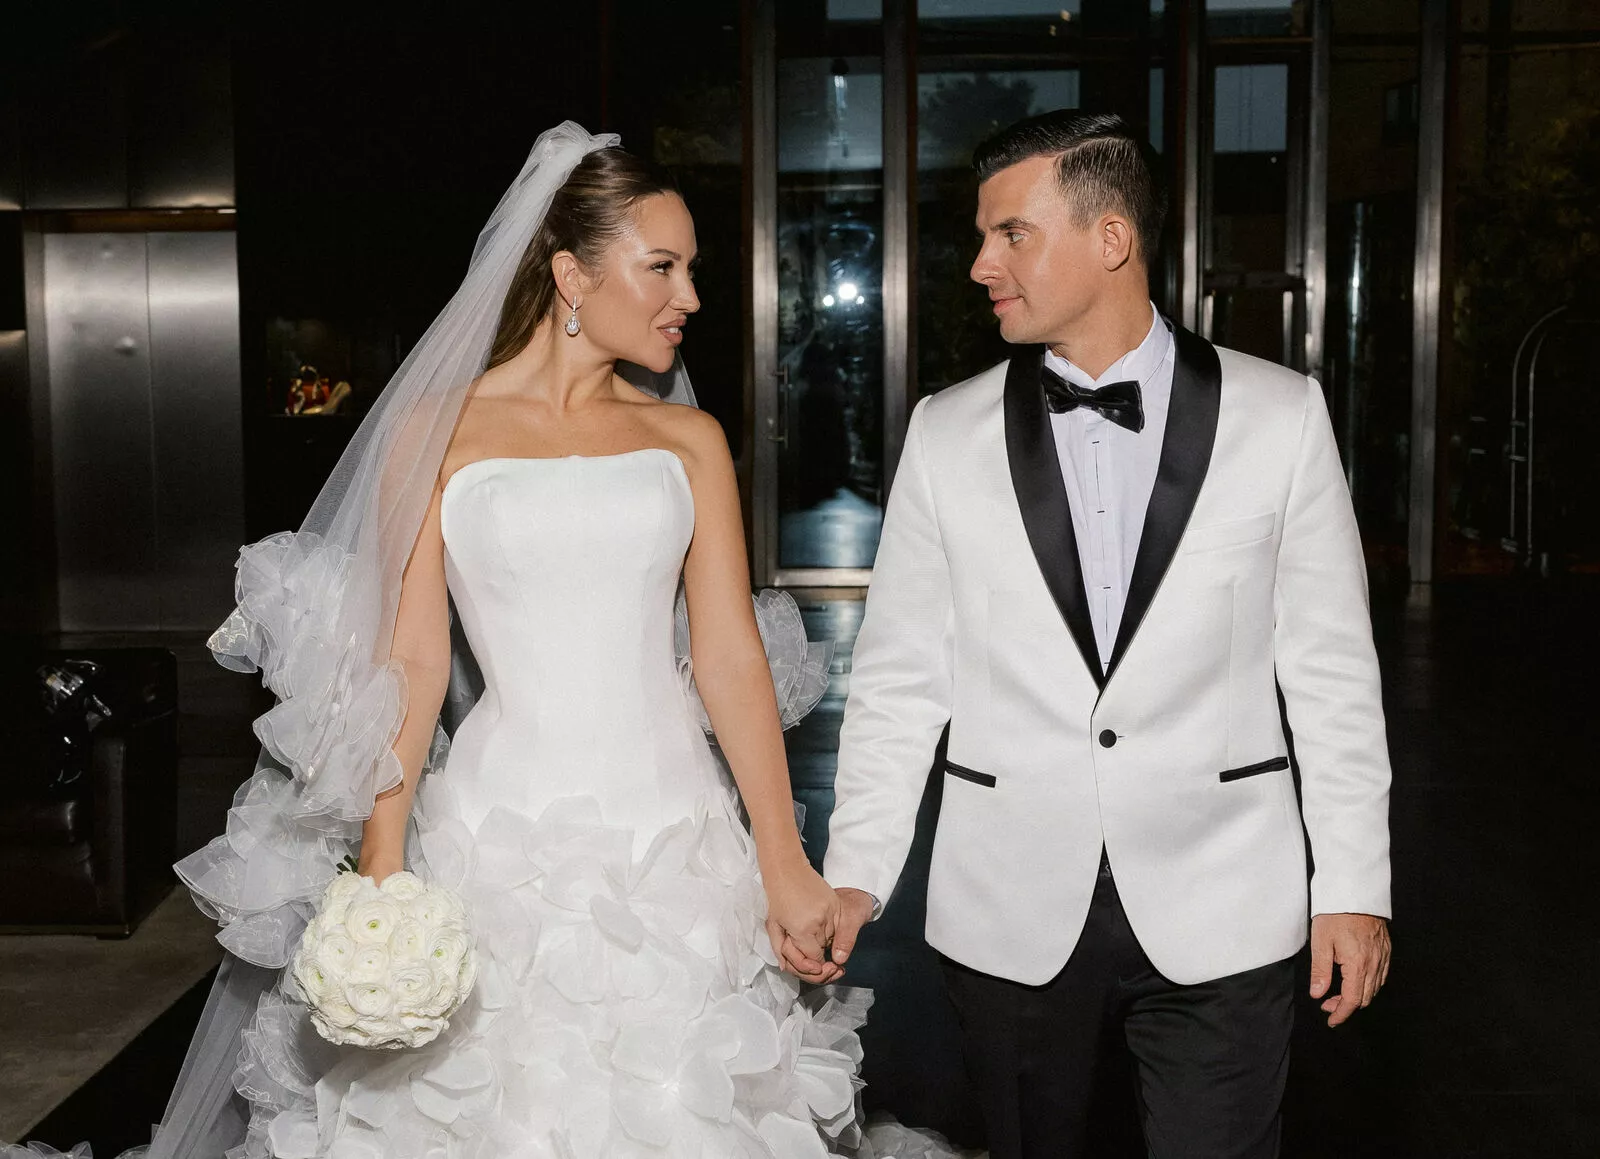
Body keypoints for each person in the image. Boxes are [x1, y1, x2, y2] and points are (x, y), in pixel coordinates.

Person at [3, 124, 960, 1159]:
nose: (688, 295)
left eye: (692, 270)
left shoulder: (688, 441)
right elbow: (413, 663)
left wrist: (783, 858)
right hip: (497, 836)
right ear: (571, 275)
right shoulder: (436, 431)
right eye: (663, 267)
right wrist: (381, 868)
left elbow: (729, 658)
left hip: (677, 841)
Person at [818, 110, 1394, 1158]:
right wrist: (856, 868)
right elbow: (901, 675)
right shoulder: (945, 433)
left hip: (1227, 896)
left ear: (1111, 238)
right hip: (1007, 904)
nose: (982, 264)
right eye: (982, 237)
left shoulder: (1282, 415)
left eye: (1012, 234)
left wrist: (1353, 886)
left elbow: (1332, 674)